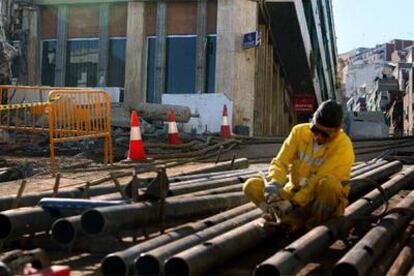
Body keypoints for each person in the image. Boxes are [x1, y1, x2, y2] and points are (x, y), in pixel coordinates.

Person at [243, 99, 355, 231]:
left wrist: (294, 203)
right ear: (312, 121)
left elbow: (317, 180)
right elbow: (281, 161)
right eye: (315, 130)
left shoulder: (343, 146)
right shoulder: (299, 132)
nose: (318, 137)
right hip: (293, 193)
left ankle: (315, 226)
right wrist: (275, 183)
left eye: (325, 134)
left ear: (337, 130)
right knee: (251, 186)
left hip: (317, 201)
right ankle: (279, 216)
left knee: (329, 185)